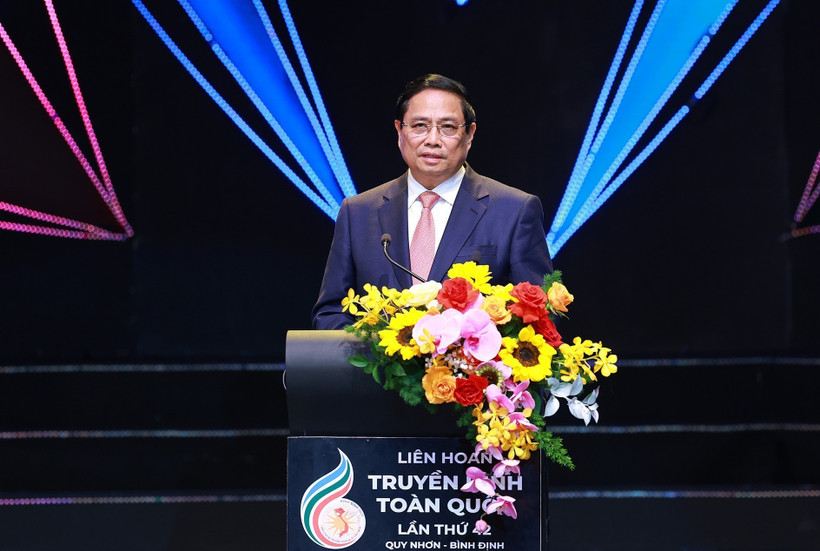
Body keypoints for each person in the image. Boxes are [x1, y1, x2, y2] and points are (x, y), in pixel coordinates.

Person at [312, 74, 552, 330]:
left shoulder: (515, 210)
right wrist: (378, 358)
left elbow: (539, 316)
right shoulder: (357, 213)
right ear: (399, 131)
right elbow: (331, 313)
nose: (432, 139)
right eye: (419, 126)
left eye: (448, 127)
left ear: (469, 134)